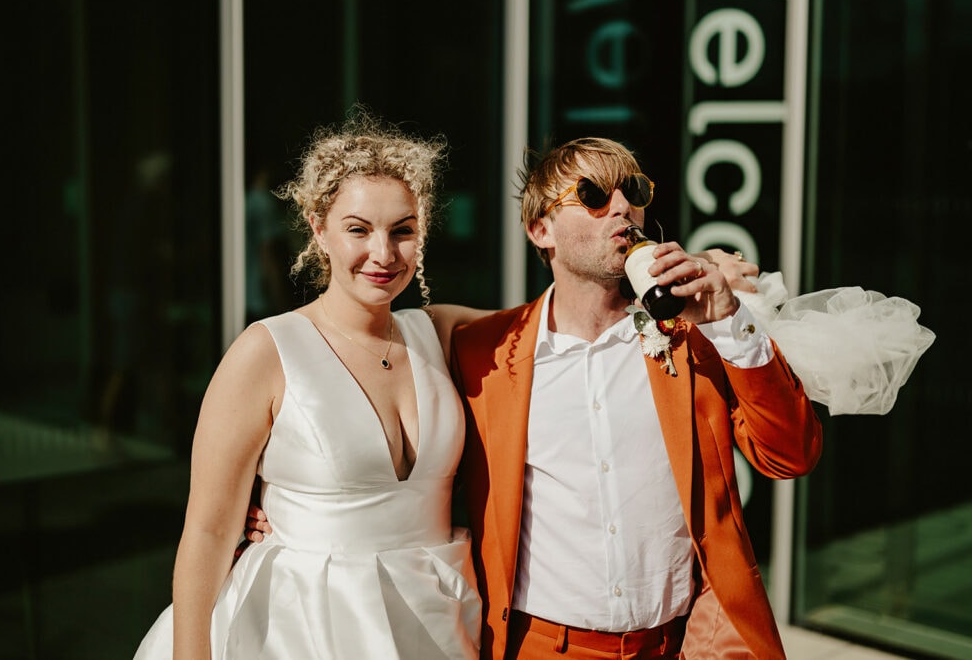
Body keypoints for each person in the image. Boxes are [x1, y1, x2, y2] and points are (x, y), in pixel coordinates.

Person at [244, 136, 823, 658]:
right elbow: (357, 378)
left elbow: (790, 456)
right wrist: (286, 504)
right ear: (541, 229)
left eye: (635, 191)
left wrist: (730, 322)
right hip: (541, 647)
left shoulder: (696, 335)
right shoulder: (483, 351)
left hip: (686, 642)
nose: (622, 208)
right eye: (593, 195)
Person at [134, 112, 489, 660]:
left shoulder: (438, 331)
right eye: (358, 229)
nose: (384, 254)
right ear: (317, 227)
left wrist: (661, 295)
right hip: (301, 630)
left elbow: (556, 324)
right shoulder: (266, 351)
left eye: (403, 230)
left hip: (434, 624)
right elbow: (207, 532)